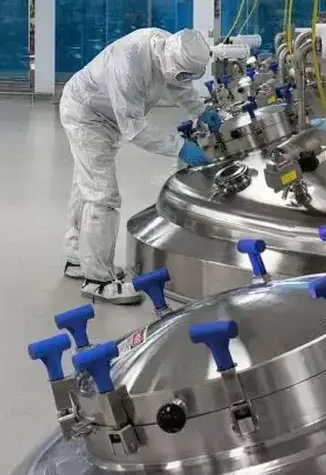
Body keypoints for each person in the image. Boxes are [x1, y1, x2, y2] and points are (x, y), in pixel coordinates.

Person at [60, 28, 217, 305]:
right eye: (183, 74)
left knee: (85, 185)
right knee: (102, 195)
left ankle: (77, 257)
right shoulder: (130, 63)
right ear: (171, 62)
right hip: (87, 115)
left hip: (106, 114)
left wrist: (201, 110)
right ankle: (97, 280)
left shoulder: (169, 49)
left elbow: (178, 84)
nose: (184, 79)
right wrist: (179, 147)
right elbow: (134, 129)